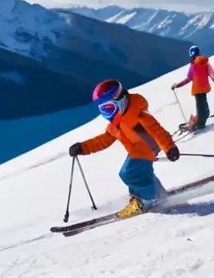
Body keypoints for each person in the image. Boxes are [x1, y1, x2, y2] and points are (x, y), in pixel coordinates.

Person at [68, 79, 180, 218]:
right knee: (143, 173)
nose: (106, 112)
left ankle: (146, 199)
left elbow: (158, 132)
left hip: (147, 148)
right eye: (103, 109)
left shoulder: (138, 115)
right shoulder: (116, 122)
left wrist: (170, 148)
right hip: (136, 149)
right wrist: (82, 147)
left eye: (108, 108)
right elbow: (104, 140)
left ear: (119, 100)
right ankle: (156, 193)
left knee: (128, 173)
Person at [171, 45, 214, 131]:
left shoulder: (192, 65)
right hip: (204, 88)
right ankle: (202, 120)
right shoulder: (205, 62)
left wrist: (177, 85)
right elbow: (211, 72)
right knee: (203, 105)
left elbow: (188, 79)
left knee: (200, 107)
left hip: (197, 89)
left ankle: (200, 124)